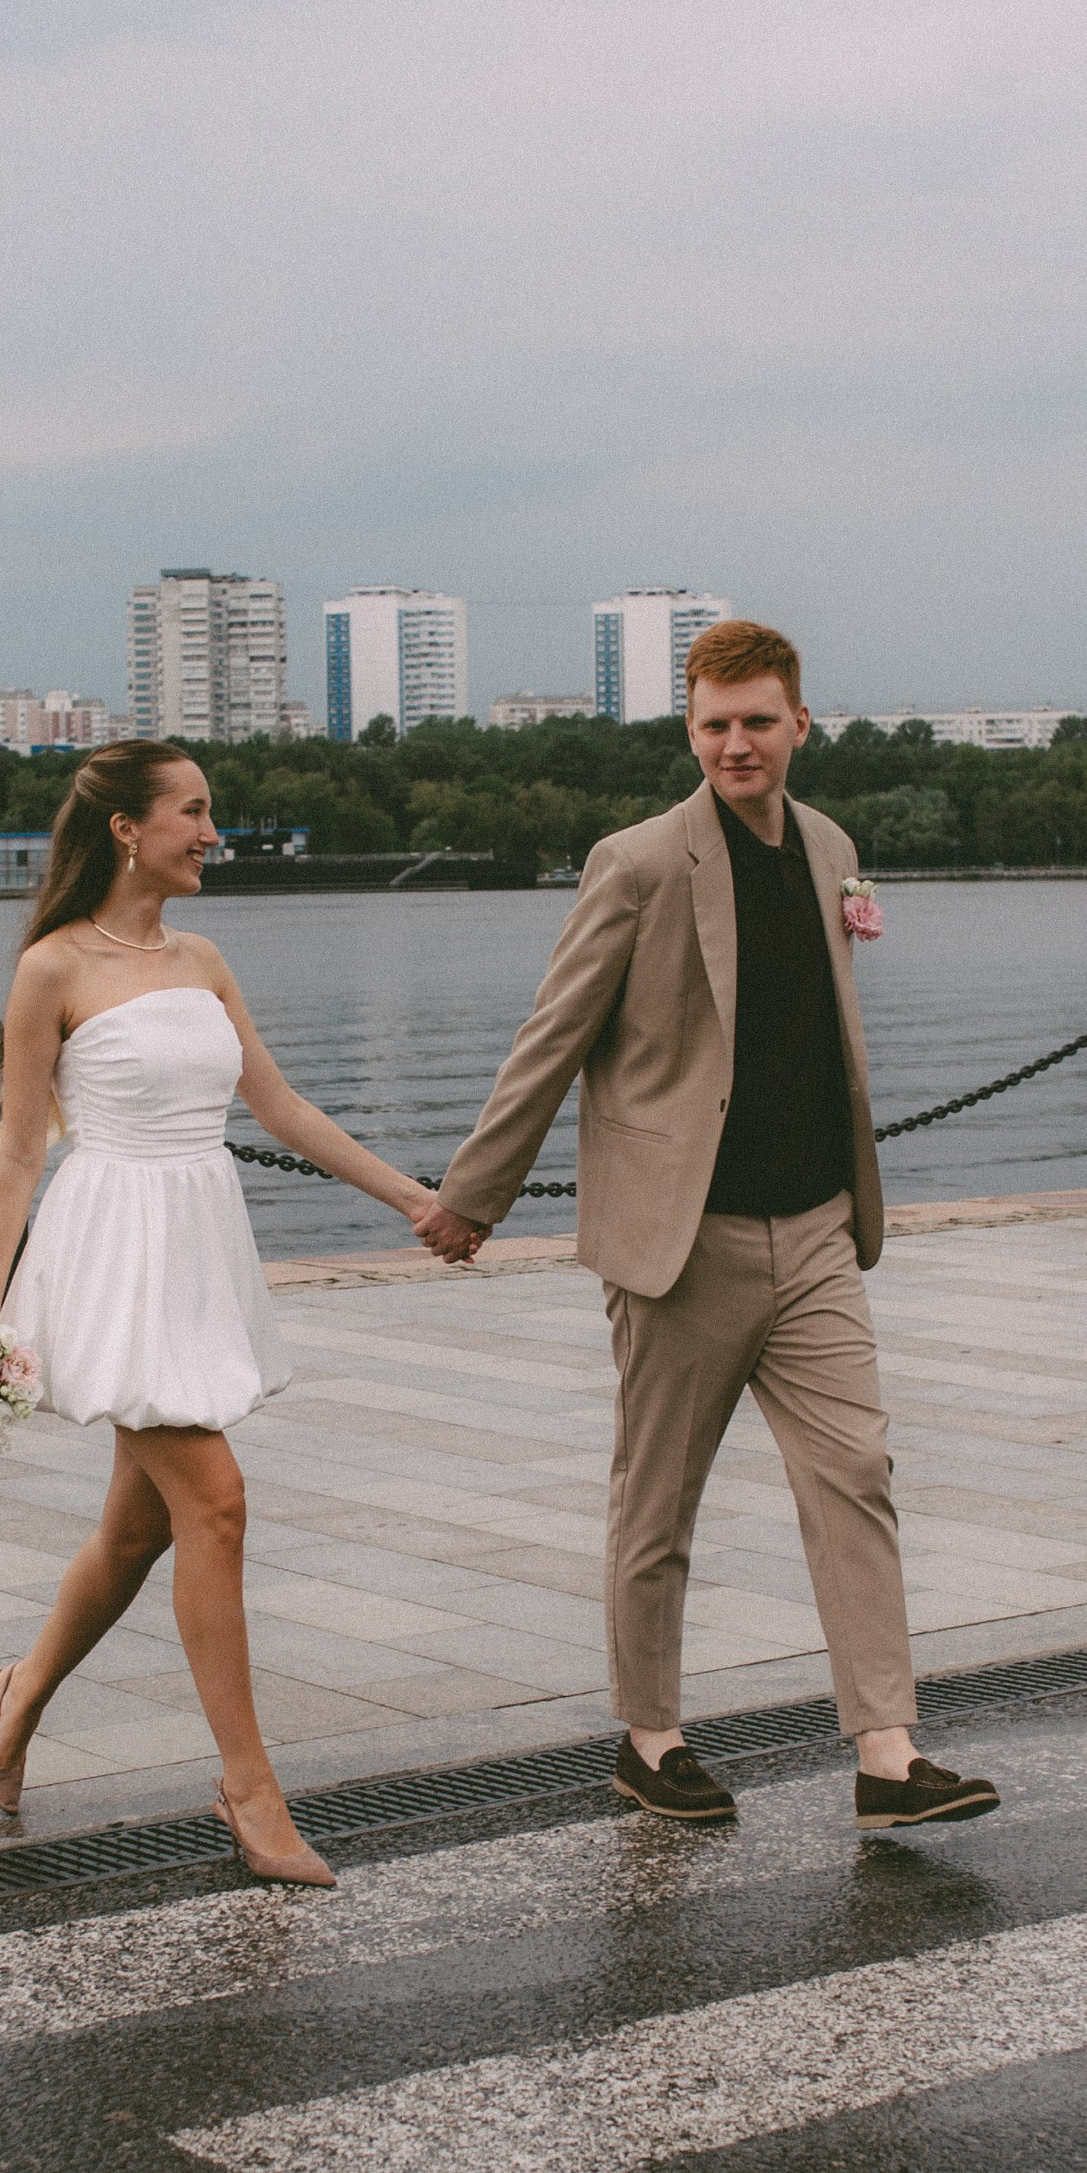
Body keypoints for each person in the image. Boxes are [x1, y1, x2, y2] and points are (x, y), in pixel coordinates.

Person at [414, 621, 998, 1832]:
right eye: (716, 724)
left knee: (856, 1475)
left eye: (758, 721)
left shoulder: (831, 847)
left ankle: (888, 1754)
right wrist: (475, 1194)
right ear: (690, 730)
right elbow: (554, 1035)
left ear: (799, 725)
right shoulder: (635, 862)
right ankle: (652, 1738)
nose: (738, 743)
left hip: (818, 1225)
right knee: (659, 1498)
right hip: (686, 1240)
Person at [0, 740, 433, 1887]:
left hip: (195, 1255)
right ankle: (248, 1785)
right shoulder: (51, 968)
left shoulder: (205, 958)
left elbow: (280, 1106)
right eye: (194, 810)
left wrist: (417, 1198)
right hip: (110, 1260)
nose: (213, 832)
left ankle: (18, 1694)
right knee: (215, 1500)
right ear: (127, 828)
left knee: (139, 1532)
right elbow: (18, 1150)